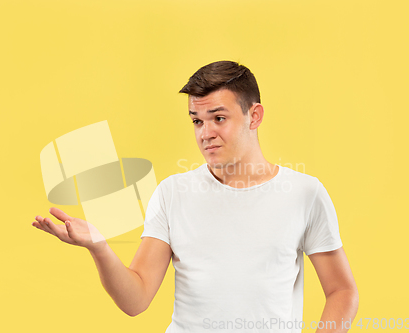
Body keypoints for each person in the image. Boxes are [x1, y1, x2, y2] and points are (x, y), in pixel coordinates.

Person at [32, 60, 359, 332]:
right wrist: (99, 248)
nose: (205, 133)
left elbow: (342, 290)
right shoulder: (173, 193)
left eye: (219, 118)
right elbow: (136, 299)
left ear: (254, 116)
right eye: (196, 121)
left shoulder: (304, 193)